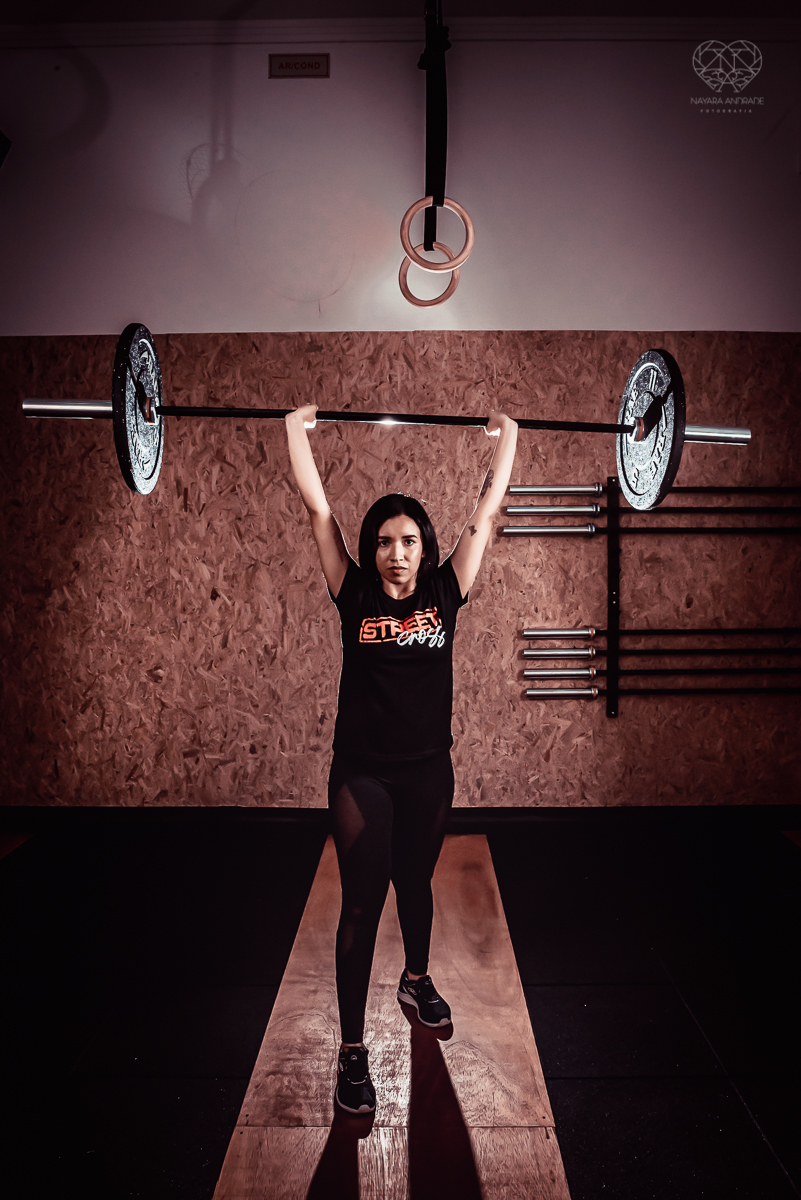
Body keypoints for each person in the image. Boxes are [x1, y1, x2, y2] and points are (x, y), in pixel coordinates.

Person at [284, 403, 518, 1116]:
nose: (395, 553)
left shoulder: (446, 593)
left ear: (425, 547)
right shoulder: (351, 592)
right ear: (371, 547)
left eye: (409, 541)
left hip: (426, 770)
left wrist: (509, 437)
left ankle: (415, 978)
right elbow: (318, 508)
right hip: (361, 772)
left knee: (415, 882)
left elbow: (486, 511)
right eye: (384, 541)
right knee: (361, 897)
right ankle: (352, 1052)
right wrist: (295, 431)